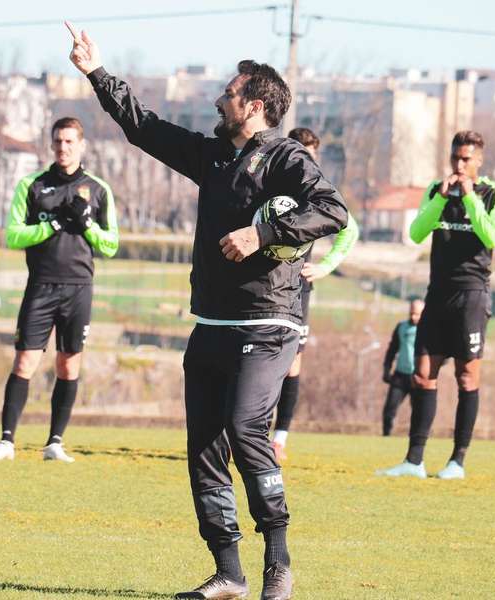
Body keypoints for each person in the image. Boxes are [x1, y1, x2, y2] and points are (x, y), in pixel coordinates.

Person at [66, 21, 347, 600]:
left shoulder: (290, 157)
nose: (218, 96)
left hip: (270, 320)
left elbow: (332, 210)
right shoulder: (214, 155)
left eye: (229, 90)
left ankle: (278, 561)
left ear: (256, 104)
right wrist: (96, 72)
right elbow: (144, 127)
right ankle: (229, 574)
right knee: (204, 450)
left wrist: (262, 232)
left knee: (247, 429)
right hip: (212, 322)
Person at [378, 130, 495, 480]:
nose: (459, 165)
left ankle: (457, 461)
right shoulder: (435, 190)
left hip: (471, 294)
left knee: (467, 376)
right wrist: (440, 199)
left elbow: (492, 236)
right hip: (437, 293)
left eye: (466, 159)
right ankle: (414, 461)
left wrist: (469, 199)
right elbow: (417, 233)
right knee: (423, 374)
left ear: (479, 161)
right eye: (455, 158)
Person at [0, 116, 119, 463]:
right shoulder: (32, 185)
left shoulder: (98, 189)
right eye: (58, 141)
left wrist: (86, 223)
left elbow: (111, 245)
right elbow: (14, 235)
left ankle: (55, 442)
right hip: (40, 286)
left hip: (79, 288)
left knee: (68, 365)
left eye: (70, 141)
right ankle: (6, 442)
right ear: (51, 144)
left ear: (81, 145)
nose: (63, 147)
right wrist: (55, 223)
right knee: (25, 359)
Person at [270, 127, 358, 462]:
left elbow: (349, 229)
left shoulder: (316, 193)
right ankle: (249, 434)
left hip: (298, 288)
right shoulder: (272, 185)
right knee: (259, 362)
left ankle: (279, 439)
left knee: (292, 363)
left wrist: (324, 267)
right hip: (262, 285)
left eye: (312, 157)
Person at [380, 298, 425, 436]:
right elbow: (392, 350)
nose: (413, 317)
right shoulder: (401, 327)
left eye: (417, 314)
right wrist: (387, 369)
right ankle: (386, 436)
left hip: (418, 376)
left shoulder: (428, 330)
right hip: (400, 376)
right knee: (389, 410)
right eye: (411, 313)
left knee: (419, 412)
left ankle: (415, 439)